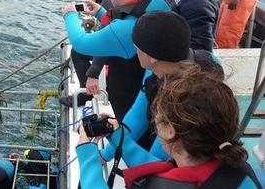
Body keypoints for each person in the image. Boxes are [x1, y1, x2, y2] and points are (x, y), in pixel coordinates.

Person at [76, 64, 260, 188]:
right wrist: (118, 135)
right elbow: (168, 170)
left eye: (158, 115)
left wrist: (87, 155)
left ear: (171, 130)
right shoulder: (238, 169)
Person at [99, 11, 224, 162]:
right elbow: (136, 118)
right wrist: (106, 154)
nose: (134, 49)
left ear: (152, 57)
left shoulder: (181, 102)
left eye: (136, 46)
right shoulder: (208, 60)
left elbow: (158, 162)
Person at [61, 0, 171, 121]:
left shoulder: (125, 30)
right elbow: (125, 20)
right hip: (153, 90)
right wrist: (100, 12)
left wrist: (69, 14)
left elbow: (80, 43)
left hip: (131, 101)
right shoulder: (157, 3)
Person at [59, 0, 111, 106]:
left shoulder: (107, 0)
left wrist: (93, 74)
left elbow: (105, 40)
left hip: (118, 52)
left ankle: (85, 94)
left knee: (78, 50)